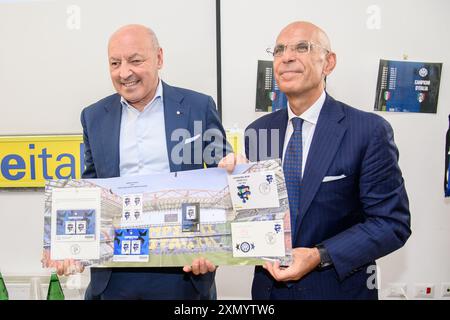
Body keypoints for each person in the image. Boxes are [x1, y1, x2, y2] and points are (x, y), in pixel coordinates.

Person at [223, 21, 411, 299]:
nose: (286, 57)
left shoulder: (368, 131)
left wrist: (318, 255)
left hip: (337, 290)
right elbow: (253, 219)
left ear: (329, 62)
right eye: (278, 50)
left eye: (302, 47)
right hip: (269, 294)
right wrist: (226, 191)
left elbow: (391, 224)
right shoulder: (257, 132)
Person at [46, 24, 231, 299]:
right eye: (115, 63)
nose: (124, 72)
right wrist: (65, 243)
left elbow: (222, 178)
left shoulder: (198, 106)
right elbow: (91, 185)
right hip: (114, 275)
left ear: (159, 58)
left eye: (135, 60)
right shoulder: (94, 116)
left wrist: (216, 245)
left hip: (183, 271)